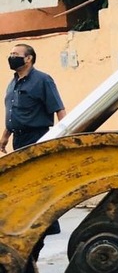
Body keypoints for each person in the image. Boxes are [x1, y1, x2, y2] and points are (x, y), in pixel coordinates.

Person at [2, 43, 67, 235]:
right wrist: (5, 137)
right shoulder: (13, 83)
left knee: (40, 182)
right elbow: (14, 114)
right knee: (25, 183)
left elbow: (59, 109)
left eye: (16, 54)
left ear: (28, 58)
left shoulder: (42, 80)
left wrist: (65, 136)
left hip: (37, 137)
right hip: (19, 139)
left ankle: (48, 224)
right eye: (11, 54)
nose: (11, 57)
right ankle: (34, 222)